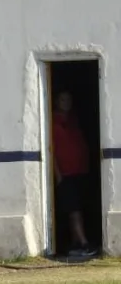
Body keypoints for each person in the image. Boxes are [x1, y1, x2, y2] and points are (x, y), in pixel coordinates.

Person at [52, 91, 97, 258]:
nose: (66, 102)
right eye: (63, 99)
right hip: (66, 173)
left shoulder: (73, 120)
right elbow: (52, 151)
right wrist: (58, 176)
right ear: (56, 100)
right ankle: (84, 243)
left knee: (78, 209)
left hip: (80, 171)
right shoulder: (52, 122)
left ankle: (76, 243)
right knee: (74, 210)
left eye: (69, 99)